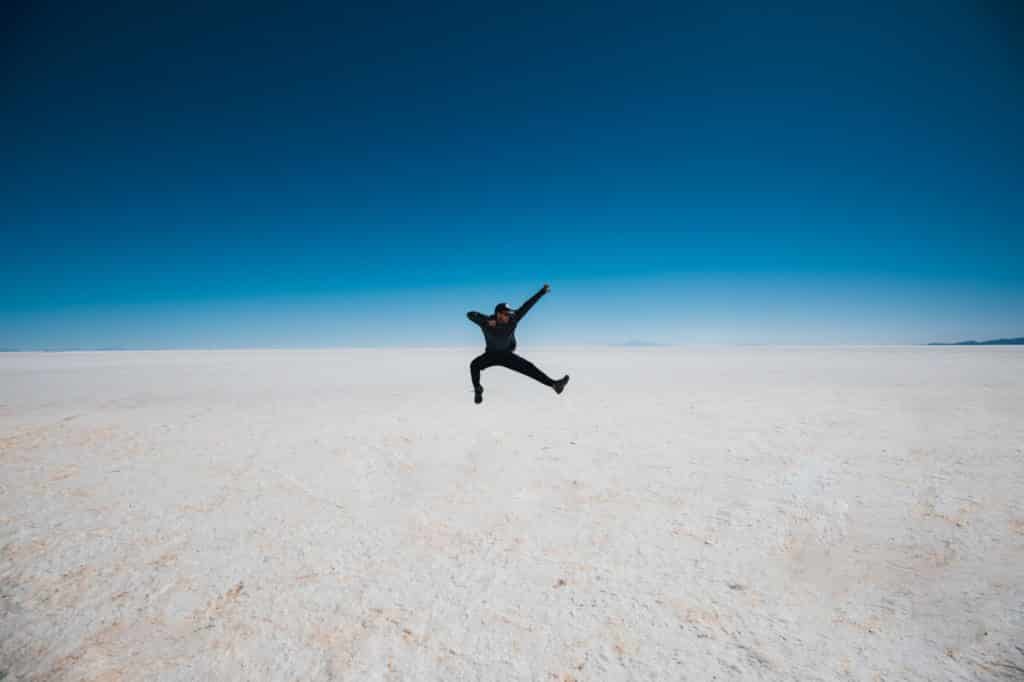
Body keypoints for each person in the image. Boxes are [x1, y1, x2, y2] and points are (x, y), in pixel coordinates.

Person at [466, 283, 569, 404]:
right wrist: (487, 320)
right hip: (491, 355)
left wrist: (541, 292)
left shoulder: (513, 319)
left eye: (509, 313)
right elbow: (470, 314)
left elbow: (527, 306)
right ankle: (478, 389)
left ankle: (554, 384)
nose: (508, 316)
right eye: (505, 314)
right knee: (474, 365)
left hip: (507, 355)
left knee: (529, 367)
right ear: (498, 314)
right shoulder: (487, 322)